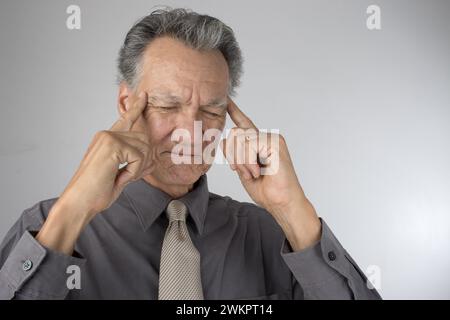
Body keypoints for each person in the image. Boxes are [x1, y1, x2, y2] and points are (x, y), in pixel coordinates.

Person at [0, 7, 381, 300]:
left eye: (212, 111)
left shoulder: (270, 235)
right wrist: (73, 212)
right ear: (125, 103)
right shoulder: (47, 228)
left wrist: (293, 210)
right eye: (167, 106)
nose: (191, 131)